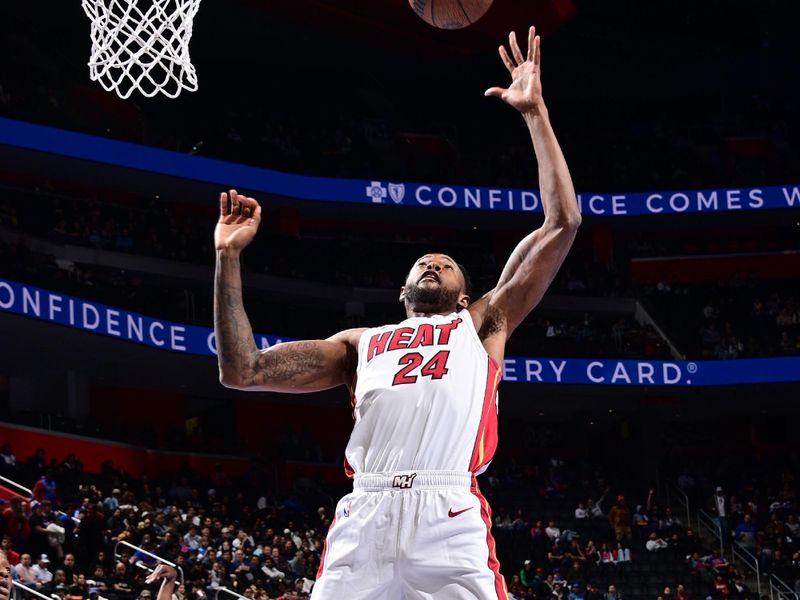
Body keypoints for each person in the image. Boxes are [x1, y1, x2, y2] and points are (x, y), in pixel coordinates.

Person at [213, 26, 580, 600]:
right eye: (424, 263)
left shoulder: (483, 322)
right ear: (402, 291)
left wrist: (535, 114)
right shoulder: (360, 344)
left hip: (447, 512)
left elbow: (561, 224)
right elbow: (244, 371)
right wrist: (227, 259)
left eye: (447, 264)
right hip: (366, 515)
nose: (433, 265)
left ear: (464, 294)